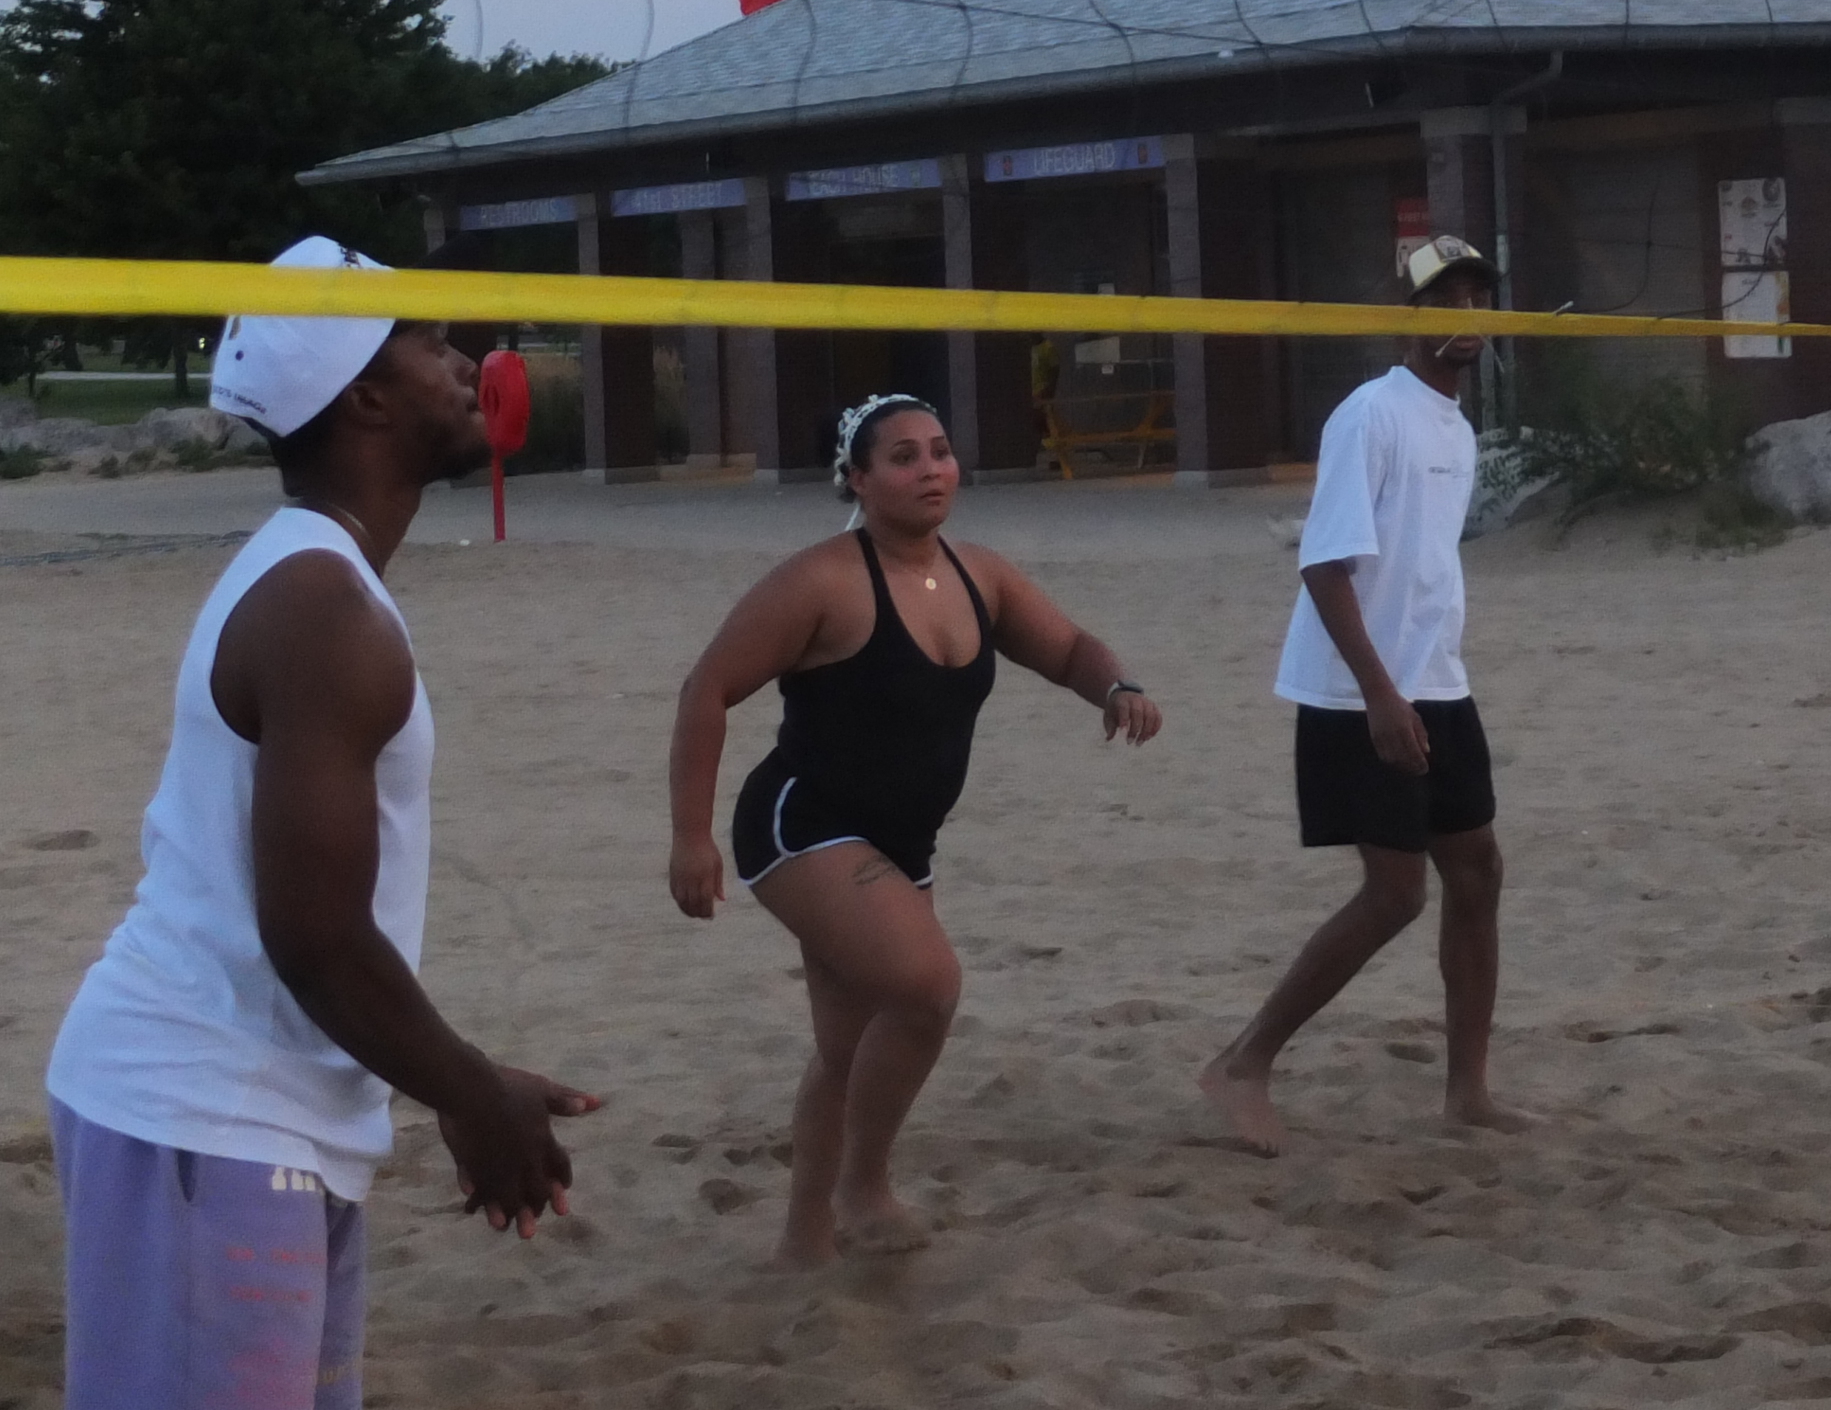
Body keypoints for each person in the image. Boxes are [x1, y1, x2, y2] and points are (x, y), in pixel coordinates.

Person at [49, 240, 600, 1409]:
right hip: (205, 1111)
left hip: (262, 1114)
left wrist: (457, 1076)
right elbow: (314, 935)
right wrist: (465, 1093)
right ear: (364, 396)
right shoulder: (321, 606)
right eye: (428, 341)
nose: (463, 363)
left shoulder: (325, 579)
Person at [667, 393, 1164, 1261]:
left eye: (939, 451)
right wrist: (689, 836)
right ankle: (864, 1186)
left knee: (848, 1044)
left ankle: (804, 1238)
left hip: (903, 842)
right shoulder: (821, 580)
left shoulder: (980, 574)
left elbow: (1070, 648)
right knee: (928, 987)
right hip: (800, 825)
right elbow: (705, 689)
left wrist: (1116, 686)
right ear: (857, 479)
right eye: (902, 457)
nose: (930, 468)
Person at [1199, 236, 1523, 1151]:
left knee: (1478, 870)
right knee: (1394, 895)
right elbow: (1326, 565)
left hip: (1436, 679)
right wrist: (1382, 696)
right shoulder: (1370, 415)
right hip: (1359, 690)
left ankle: (1469, 1092)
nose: (1463, 316)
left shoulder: (1456, 426)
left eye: (1476, 299)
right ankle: (1242, 1064)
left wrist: (1422, 682)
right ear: (1407, 313)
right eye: (1443, 299)